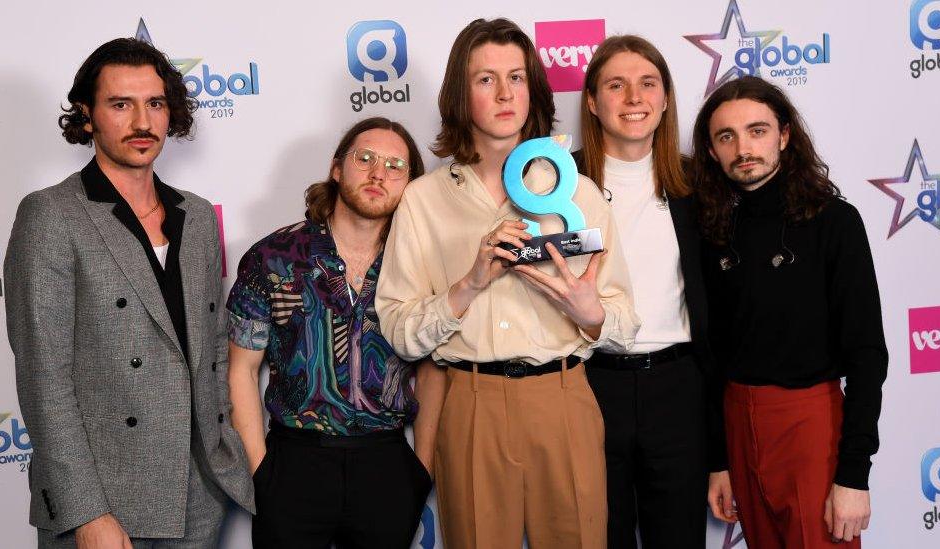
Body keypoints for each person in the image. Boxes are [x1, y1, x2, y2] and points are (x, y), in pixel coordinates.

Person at [375, 17, 638, 549]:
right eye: (485, 79)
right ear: (459, 93)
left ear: (533, 88)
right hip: (470, 403)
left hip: (563, 398)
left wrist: (591, 313)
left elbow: (625, 325)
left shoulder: (579, 193)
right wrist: (468, 286)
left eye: (516, 77)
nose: (504, 93)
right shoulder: (424, 200)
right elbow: (400, 330)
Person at [4, 37, 254, 548]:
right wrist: (86, 513)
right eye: (121, 104)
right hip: (107, 503)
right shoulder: (51, 216)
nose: (142, 121)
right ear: (87, 114)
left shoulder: (198, 216)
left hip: (199, 494)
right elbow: (43, 380)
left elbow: (209, 351)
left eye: (155, 104)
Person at [691, 75, 888, 548]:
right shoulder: (711, 227)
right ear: (712, 151)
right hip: (739, 422)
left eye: (757, 131)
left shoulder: (834, 221)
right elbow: (711, 355)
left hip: (810, 424)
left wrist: (854, 476)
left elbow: (867, 354)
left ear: (784, 135)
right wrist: (720, 460)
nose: (743, 148)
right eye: (726, 136)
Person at [226, 117, 430, 549]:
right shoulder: (274, 258)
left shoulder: (419, 267)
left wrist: (420, 470)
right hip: (294, 462)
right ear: (337, 168)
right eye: (366, 158)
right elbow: (241, 370)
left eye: (396, 166)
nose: (379, 174)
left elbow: (434, 371)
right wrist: (262, 471)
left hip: (386, 465)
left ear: (411, 184)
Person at [573, 35, 730, 548]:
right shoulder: (558, 181)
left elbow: (720, 314)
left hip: (676, 390)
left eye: (648, 84)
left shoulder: (697, 184)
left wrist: (720, 453)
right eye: (616, 86)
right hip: (590, 387)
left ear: (665, 99)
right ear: (593, 102)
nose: (634, 98)